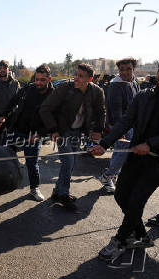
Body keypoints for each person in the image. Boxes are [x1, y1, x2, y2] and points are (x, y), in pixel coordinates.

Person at [89, 55, 159, 261]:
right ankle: (140, 235)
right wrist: (104, 144)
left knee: (136, 200)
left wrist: (151, 144)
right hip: (134, 156)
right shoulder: (143, 96)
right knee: (121, 196)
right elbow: (124, 122)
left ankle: (121, 239)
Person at [40, 63, 106, 210]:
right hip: (63, 131)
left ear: (90, 79)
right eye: (76, 74)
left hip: (78, 132)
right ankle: (63, 195)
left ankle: (57, 192)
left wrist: (98, 130)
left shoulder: (97, 92)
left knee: (70, 163)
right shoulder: (64, 88)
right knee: (68, 162)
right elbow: (45, 109)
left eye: (80, 76)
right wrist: (53, 130)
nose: (76, 78)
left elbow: (101, 112)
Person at [0, 64, 54, 201]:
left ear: (49, 79)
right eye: (37, 79)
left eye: (42, 80)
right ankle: (1, 183)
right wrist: (3, 115)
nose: (38, 83)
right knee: (5, 157)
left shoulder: (53, 95)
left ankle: (34, 189)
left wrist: (40, 134)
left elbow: (54, 119)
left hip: (34, 134)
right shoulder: (29, 88)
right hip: (16, 130)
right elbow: (13, 101)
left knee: (31, 163)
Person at [99, 57, 140, 193]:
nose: (125, 72)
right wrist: (119, 130)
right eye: (122, 69)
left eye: (128, 69)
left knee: (123, 153)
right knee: (121, 152)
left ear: (134, 69)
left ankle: (112, 175)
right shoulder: (116, 85)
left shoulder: (134, 82)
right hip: (120, 125)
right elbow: (115, 110)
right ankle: (107, 176)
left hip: (132, 125)